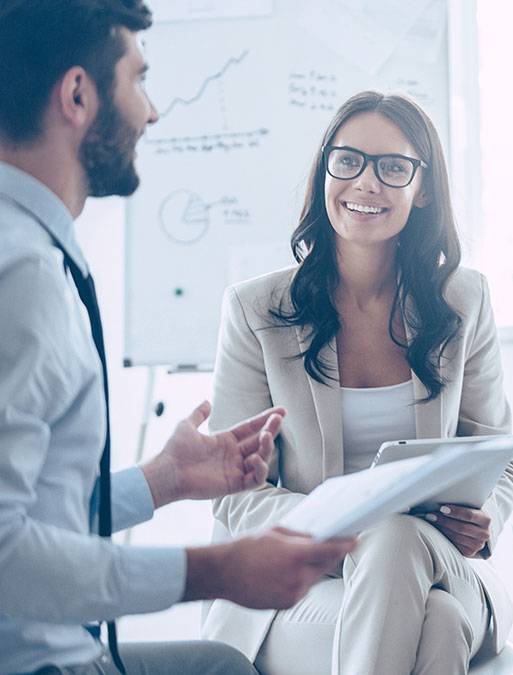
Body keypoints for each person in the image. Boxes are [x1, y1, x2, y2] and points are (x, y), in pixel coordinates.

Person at [0, 2, 357, 674]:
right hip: (42, 662)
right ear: (78, 94)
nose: (152, 111)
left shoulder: (31, 252)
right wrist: (213, 569)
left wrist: (162, 480)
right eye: (138, 79)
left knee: (219, 663)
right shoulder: (22, 275)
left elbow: (39, 502)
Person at [200, 89, 513, 675]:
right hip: (303, 576)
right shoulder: (256, 311)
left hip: (440, 559)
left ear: (421, 189)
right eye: (348, 161)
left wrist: (487, 518)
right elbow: (233, 493)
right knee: (440, 623)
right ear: (325, 170)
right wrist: (345, 518)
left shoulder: (463, 301)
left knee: (398, 541)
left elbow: (500, 458)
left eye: (393, 168)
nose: (366, 183)